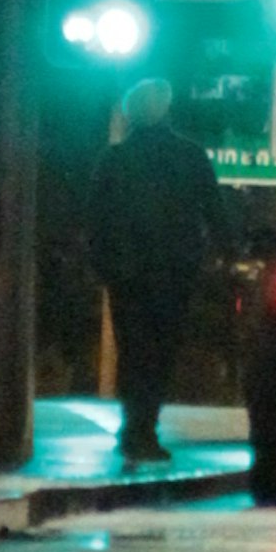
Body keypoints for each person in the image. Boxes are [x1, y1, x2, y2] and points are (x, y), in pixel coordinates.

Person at [85, 78, 226, 462]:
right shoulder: (190, 156)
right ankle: (144, 427)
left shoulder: (114, 159)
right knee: (160, 352)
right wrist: (227, 250)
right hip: (174, 271)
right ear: (165, 109)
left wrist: (103, 264)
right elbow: (214, 210)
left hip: (127, 273)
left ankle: (135, 426)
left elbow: (95, 218)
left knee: (133, 350)